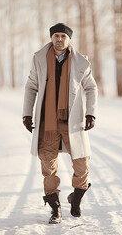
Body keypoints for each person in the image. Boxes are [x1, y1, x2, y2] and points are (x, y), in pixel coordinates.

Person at [22, 23, 98, 224]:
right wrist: (27, 115)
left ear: (69, 39)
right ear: (51, 38)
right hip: (47, 122)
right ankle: (55, 209)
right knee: (48, 166)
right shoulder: (39, 59)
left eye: (63, 36)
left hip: (72, 122)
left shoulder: (80, 62)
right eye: (56, 36)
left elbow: (91, 88)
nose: (59, 39)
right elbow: (31, 87)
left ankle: (76, 199)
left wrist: (91, 114)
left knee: (82, 163)